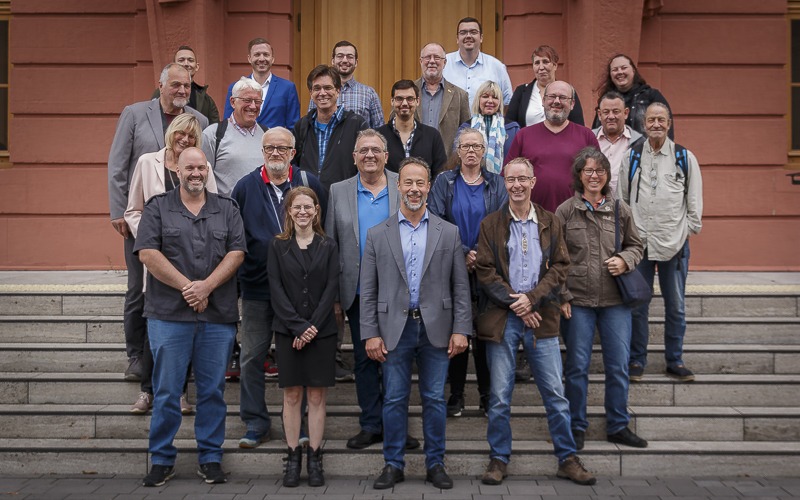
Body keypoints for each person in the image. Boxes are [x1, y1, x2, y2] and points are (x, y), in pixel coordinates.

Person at [475, 157, 595, 486]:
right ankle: (498, 459)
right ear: (505, 182)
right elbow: (484, 270)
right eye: (511, 179)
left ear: (532, 182)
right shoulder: (490, 225)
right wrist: (518, 302)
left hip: (542, 318)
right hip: (504, 319)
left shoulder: (550, 222)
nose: (516, 185)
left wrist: (534, 298)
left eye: (522, 179)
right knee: (499, 396)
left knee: (555, 393)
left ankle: (567, 458)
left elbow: (560, 266)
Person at [135, 147, 245, 487]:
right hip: (169, 316)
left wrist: (207, 287)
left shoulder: (226, 208)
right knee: (167, 390)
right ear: (177, 170)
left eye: (201, 167)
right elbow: (148, 253)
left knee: (212, 390)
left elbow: (238, 251)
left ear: (207, 170)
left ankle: (210, 458)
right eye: (189, 168)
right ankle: (162, 459)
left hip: (217, 316)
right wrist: (189, 288)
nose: (195, 173)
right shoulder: (158, 207)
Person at [361, 158, 472, 490]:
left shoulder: (448, 232)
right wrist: (370, 333)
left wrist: (461, 328)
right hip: (394, 328)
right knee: (394, 398)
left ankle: (435, 463)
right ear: (398, 187)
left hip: (436, 328)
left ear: (428, 187)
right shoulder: (377, 234)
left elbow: (460, 287)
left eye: (420, 183)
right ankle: (393, 464)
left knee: (435, 399)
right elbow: (368, 289)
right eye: (408, 183)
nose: (414, 189)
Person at [108, 63, 208, 384]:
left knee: (180, 290)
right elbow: (118, 164)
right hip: (141, 225)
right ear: (161, 85)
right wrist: (119, 211)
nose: (181, 91)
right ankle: (137, 356)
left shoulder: (199, 122)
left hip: (185, 230)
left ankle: (180, 360)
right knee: (139, 291)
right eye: (175, 85)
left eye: (187, 86)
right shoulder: (135, 114)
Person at [232, 127, 325, 450]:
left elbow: (323, 231)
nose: (275, 153)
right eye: (270, 147)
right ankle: (256, 423)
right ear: (262, 150)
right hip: (258, 289)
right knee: (251, 357)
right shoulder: (245, 187)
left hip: (302, 293)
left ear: (292, 152)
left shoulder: (309, 183)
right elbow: (236, 237)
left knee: (299, 360)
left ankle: (298, 425)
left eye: (282, 148)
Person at [124, 113, 218, 415]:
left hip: (192, 256)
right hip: (157, 256)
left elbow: (212, 205)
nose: (185, 140)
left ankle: (179, 393)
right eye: (181, 133)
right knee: (158, 321)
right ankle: (147, 392)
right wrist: (152, 238)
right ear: (170, 133)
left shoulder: (202, 166)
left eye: (192, 136)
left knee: (188, 324)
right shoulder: (147, 162)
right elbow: (133, 210)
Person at [555, 147, 647, 451]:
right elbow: (555, 258)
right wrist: (562, 296)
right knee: (577, 367)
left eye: (600, 171)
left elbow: (637, 245)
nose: (594, 176)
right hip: (578, 302)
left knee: (619, 365)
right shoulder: (566, 211)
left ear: (607, 176)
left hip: (615, 303)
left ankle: (618, 425)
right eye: (588, 171)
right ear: (579, 176)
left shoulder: (620, 209)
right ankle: (576, 426)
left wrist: (625, 260)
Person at [618, 103, 703, 382]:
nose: (656, 124)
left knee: (675, 305)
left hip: (674, 244)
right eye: (651, 119)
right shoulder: (632, 157)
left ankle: (675, 360)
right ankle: (636, 361)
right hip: (639, 245)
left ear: (669, 124)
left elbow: (694, 201)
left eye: (661, 120)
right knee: (638, 305)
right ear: (644, 125)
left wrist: (686, 231)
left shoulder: (684, 157)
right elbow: (623, 201)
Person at [428, 128, 507, 418]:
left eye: (476, 146)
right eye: (465, 146)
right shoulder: (444, 182)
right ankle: (457, 395)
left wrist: (480, 255)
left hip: (489, 269)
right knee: (456, 332)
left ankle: (487, 396)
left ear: (485, 151)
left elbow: (503, 222)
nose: (471, 151)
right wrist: (462, 252)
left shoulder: (497, 184)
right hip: (452, 267)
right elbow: (435, 220)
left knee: (486, 335)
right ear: (457, 151)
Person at [268, 187, 338, 488]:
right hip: (288, 332)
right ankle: (293, 455)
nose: (303, 212)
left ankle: (314, 456)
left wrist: (312, 328)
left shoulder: (329, 245)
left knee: (317, 396)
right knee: (293, 395)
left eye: (308, 207)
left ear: (317, 211)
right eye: (297, 207)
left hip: (321, 333)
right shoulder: (277, 245)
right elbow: (276, 290)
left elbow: (331, 289)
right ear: (289, 211)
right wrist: (298, 327)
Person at [505, 80, 600, 212]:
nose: (556, 101)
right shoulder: (523, 135)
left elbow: (598, 177)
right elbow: (508, 175)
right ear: (543, 101)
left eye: (563, 97)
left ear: (572, 104)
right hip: (533, 217)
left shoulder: (586, 136)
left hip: (576, 218)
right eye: (551, 96)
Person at [293, 65, 368, 191]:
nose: (322, 93)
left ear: (338, 91)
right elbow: (293, 164)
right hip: (308, 200)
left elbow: (365, 163)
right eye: (317, 88)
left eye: (327, 88)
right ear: (311, 93)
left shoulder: (356, 124)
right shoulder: (302, 126)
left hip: (344, 198)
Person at [203, 77, 267, 196]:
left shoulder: (267, 135)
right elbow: (202, 177)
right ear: (233, 102)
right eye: (247, 100)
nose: (253, 106)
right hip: (227, 211)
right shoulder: (213, 135)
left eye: (257, 102)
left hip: (261, 212)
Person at [223, 38, 300, 129]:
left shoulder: (287, 88)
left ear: (272, 59)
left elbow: (294, 127)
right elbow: (228, 123)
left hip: (274, 142)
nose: (262, 59)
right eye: (257, 54)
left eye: (266, 55)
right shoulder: (236, 87)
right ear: (249, 58)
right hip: (243, 141)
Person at [592, 53, 674, 139]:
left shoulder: (651, 96)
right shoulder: (606, 101)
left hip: (646, 151)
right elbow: (595, 134)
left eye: (624, 68)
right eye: (615, 69)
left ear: (633, 71)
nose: (620, 72)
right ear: (610, 75)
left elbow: (666, 129)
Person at [376, 79, 447, 177]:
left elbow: (440, 174)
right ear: (392, 101)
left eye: (410, 99)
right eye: (399, 99)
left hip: (424, 192)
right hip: (388, 192)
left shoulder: (432, 136)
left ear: (417, 101)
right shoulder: (378, 136)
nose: (404, 103)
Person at [306, 41, 384, 129]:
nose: (345, 60)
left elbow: (379, 129)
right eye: (340, 56)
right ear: (333, 60)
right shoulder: (320, 93)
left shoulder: (369, 93)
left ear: (356, 62)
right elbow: (310, 123)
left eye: (350, 57)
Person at [506, 45, 584, 127]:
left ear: (555, 66)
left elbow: (579, 126)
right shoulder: (521, 91)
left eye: (545, 62)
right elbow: (509, 124)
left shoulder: (568, 91)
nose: (541, 67)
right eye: (537, 63)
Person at [442, 17, 513, 107]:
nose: (468, 36)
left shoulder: (497, 67)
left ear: (481, 38)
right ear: (457, 38)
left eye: (473, 32)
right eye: (463, 33)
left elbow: (508, 103)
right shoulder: (444, 64)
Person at [415, 42, 471, 156]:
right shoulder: (407, 91)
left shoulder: (460, 95)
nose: (432, 61)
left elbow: (467, 133)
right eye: (427, 57)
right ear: (421, 61)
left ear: (444, 63)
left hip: (446, 162)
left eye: (437, 57)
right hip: (413, 161)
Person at [455, 80, 519, 174]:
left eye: (495, 97)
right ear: (478, 100)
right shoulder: (465, 128)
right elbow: (457, 159)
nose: (490, 101)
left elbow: (518, 159)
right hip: (473, 181)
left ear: (500, 102)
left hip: (505, 182)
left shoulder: (512, 129)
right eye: (485, 96)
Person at [151, 45, 219, 123]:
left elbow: (215, 129)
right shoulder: (161, 92)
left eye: (190, 60)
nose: (186, 64)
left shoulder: (207, 100)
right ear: (174, 65)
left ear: (197, 67)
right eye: (181, 60)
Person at [592, 91, 643, 193]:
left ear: (626, 113)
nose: (611, 116)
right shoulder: (588, 139)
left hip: (627, 206)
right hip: (594, 205)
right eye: (606, 112)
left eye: (616, 111)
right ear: (599, 114)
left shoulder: (640, 143)